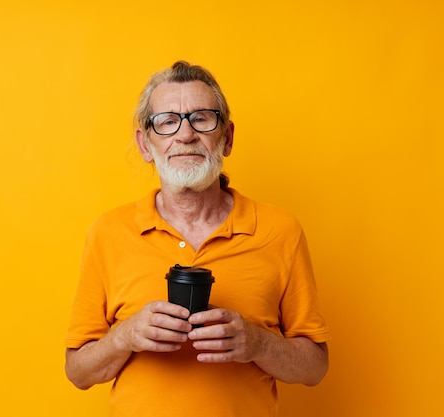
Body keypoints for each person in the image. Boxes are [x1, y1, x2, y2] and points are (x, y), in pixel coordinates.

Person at [65, 60, 331, 417]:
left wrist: (255, 342)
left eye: (202, 118)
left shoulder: (280, 231)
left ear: (228, 137)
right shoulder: (108, 232)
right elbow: (78, 372)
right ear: (146, 145)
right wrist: (125, 336)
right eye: (167, 121)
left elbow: (315, 367)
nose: (185, 135)